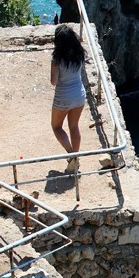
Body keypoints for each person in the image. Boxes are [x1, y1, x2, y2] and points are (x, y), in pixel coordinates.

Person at [50, 24, 87, 173]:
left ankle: (72, 156)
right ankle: (75, 159)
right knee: (74, 126)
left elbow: (54, 81)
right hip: (79, 95)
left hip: (63, 97)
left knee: (57, 127)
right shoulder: (79, 53)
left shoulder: (57, 59)